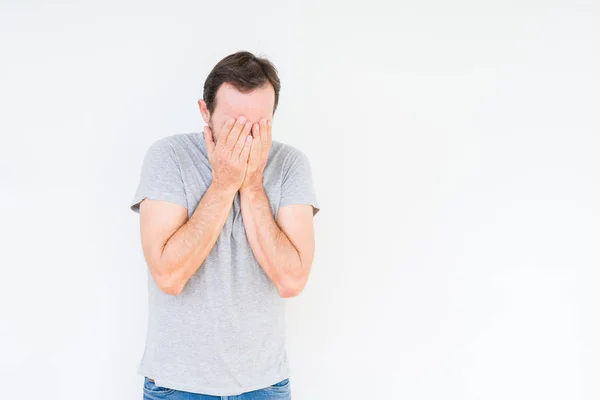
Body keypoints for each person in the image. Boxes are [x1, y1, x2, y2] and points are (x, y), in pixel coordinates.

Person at [130, 50, 320, 399]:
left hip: (264, 386)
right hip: (177, 387)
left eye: (258, 124)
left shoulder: (291, 165)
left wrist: (250, 185)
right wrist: (223, 184)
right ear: (206, 112)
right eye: (234, 123)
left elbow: (291, 280)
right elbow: (169, 277)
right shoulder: (169, 157)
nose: (246, 137)